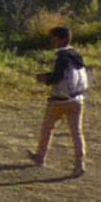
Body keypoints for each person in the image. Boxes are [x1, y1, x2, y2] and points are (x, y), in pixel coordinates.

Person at [27, 26, 91, 174]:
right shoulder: (76, 55)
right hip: (78, 98)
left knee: (47, 128)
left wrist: (44, 78)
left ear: (60, 40)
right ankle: (80, 163)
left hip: (60, 100)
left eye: (54, 38)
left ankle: (40, 157)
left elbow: (58, 76)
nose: (52, 41)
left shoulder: (61, 57)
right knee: (76, 132)